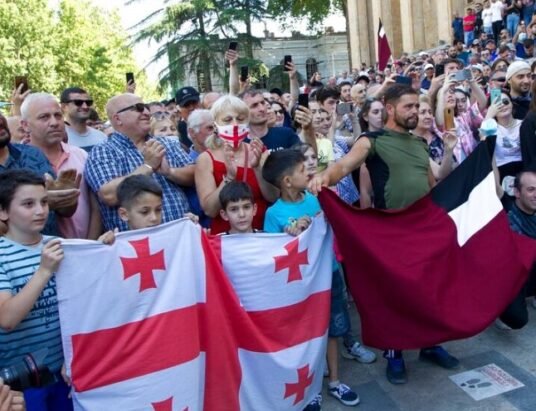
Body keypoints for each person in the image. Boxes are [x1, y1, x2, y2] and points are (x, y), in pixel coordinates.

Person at [309, 84, 460, 385]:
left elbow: (430, 184)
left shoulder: (419, 143)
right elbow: (344, 164)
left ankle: (430, 344)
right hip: (392, 231)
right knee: (396, 295)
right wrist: (325, 176)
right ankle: (395, 353)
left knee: (428, 291)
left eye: (417, 107)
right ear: (390, 109)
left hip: (422, 230)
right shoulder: (371, 141)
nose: (415, 112)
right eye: (408, 107)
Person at [0, 169, 114, 411]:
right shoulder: (2, 255)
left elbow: (87, 302)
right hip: (23, 383)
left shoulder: (63, 246)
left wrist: (103, 251)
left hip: (66, 373)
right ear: (3, 211)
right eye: (28, 204)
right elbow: (7, 319)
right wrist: (44, 271)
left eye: (44, 202)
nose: (40, 211)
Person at [262, 149, 360, 409]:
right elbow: (272, 254)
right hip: (299, 286)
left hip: (329, 274)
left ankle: (335, 381)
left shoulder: (317, 198)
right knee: (309, 333)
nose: (309, 170)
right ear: (287, 181)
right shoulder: (274, 214)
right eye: (301, 169)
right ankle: (311, 386)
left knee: (333, 331)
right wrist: (290, 235)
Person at [85, 93, 195, 232]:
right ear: (117, 118)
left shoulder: (166, 143)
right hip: (136, 247)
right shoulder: (103, 152)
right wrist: (148, 167)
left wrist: (170, 172)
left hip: (179, 241)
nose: (147, 112)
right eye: (139, 108)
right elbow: (109, 195)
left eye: (146, 107)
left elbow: (194, 175)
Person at [22, 93, 100, 240]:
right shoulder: (16, 161)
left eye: (58, 116)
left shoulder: (81, 155)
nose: (54, 122)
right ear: (25, 125)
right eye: (44, 117)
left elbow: (95, 206)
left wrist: (90, 245)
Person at [195, 95, 276, 234]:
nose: (234, 125)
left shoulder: (258, 150)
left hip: (261, 234)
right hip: (225, 239)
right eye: (227, 120)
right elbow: (210, 210)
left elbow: (273, 197)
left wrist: (257, 168)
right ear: (215, 125)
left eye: (240, 119)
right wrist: (229, 178)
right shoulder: (206, 159)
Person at [497, 170, 536, 329]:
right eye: (531, 189)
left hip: (530, 272)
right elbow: (494, 185)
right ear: (517, 192)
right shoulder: (505, 206)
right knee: (517, 319)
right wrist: (488, 147)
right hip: (508, 278)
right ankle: (497, 307)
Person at [486, 91, 523, 181]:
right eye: (497, 104)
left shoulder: (524, 124)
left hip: (524, 170)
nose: (502, 105)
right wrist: (489, 115)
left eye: (505, 102)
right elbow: (483, 141)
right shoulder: (491, 127)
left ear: (512, 104)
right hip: (500, 172)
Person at [60, 87, 106, 152]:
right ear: (64, 107)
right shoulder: (58, 138)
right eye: (78, 102)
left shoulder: (101, 137)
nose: (85, 106)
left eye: (88, 102)